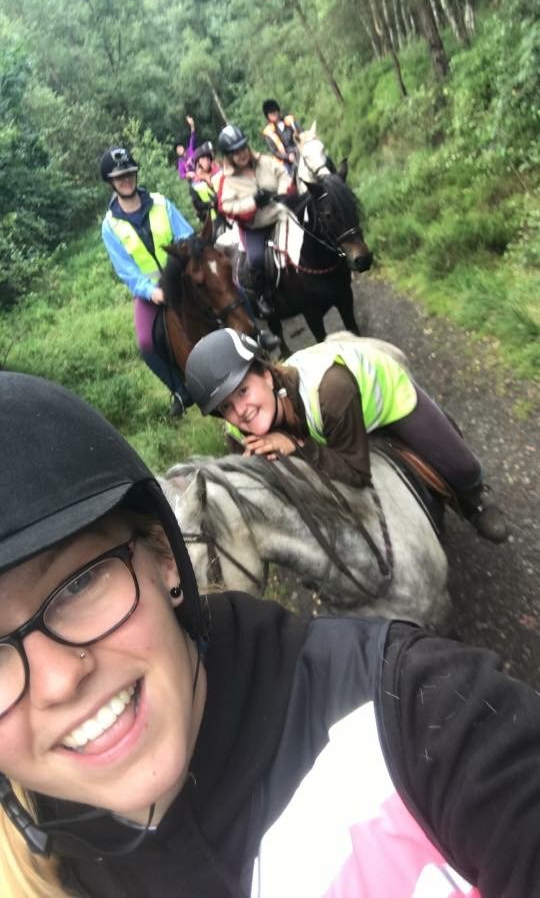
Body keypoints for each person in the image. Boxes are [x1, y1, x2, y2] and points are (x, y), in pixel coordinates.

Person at [0, 370, 539, 898]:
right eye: (227, 408)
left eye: (81, 581)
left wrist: (296, 446)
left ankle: (472, 493)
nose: (57, 681)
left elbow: (348, 469)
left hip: (361, 409)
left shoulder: (423, 712)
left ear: (165, 557)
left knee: (449, 456)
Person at [185, 329, 509, 543]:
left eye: (243, 390)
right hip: (328, 421)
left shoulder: (329, 391)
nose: (241, 411)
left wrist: (297, 445)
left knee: (461, 466)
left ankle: (474, 501)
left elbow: (356, 473)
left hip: (381, 398)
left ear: (267, 376)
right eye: (226, 407)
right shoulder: (238, 429)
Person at [100, 145, 194, 418]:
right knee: (146, 344)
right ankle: (180, 389)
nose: (126, 180)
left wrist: (185, 270)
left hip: (182, 277)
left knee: (228, 291)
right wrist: (151, 292)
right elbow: (126, 270)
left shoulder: (162, 203)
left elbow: (185, 236)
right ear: (111, 182)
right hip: (151, 293)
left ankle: (256, 336)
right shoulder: (110, 226)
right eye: (120, 177)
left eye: (129, 174)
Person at [215, 124, 300, 318]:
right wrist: (253, 202)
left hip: (280, 214)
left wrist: (282, 193)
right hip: (255, 227)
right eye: (236, 152)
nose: (242, 153)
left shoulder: (266, 161)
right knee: (256, 258)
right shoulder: (226, 181)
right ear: (228, 156)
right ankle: (264, 297)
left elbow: (283, 175)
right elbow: (226, 207)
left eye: (243, 148)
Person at [261, 99, 301, 175]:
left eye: (274, 111)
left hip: (300, 150)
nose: (273, 114)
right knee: (288, 178)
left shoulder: (291, 120)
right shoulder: (268, 132)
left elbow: (302, 133)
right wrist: (288, 157)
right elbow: (274, 151)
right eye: (270, 113)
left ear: (278, 111)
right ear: (268, 116)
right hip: (286, 160)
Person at [189, 141, 221, 224]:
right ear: (198, 162)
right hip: (211, 220)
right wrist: (211, 204)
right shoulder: (195, 184)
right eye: (203, 158)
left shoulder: (219, 174)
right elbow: (197, 204)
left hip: (227, 212)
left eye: (208, 158)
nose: (206, 161)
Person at [175, 115, 196, 180]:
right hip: (194, 180)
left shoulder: (190, 150)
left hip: (201, 171)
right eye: (177, 149)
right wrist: (188, 174)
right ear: (177, 153)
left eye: (180, 147)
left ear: (183, 147)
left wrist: (192, 125)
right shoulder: (180, 162)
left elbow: (192, 136)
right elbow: (181, 175)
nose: (179, 149)